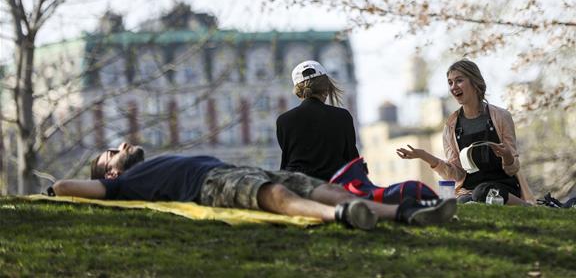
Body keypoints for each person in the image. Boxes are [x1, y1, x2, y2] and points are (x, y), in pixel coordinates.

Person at [49, 142, 456, 230]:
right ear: (110, 174)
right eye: (112, 153)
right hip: (211, 183)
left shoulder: (147, 166)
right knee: (276, 197)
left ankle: (405, 213)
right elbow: (66, 186)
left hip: (234, 166)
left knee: (319, 186)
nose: (122, 146)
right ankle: (343, 216)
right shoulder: (124, 184)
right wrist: (53, 191)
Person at [396, 59, 534, 205]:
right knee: (463, 201)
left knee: (482, 192)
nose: (453, 87)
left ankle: (525, 206)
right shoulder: (451, 126)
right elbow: (456, 174)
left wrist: (507, 155)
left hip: (503, 188)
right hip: (470, 192)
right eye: (450, 83)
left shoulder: (501, 116)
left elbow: (513, 169)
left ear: (475, 82)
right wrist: (424, 155)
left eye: (459, 81)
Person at [276, 60, 360, 181]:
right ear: (326, 87)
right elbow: (353, 161)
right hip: (336, 184)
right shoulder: (343, 116)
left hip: (297, 185)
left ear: (298, 91)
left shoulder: (283, 121)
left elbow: (286, 159)